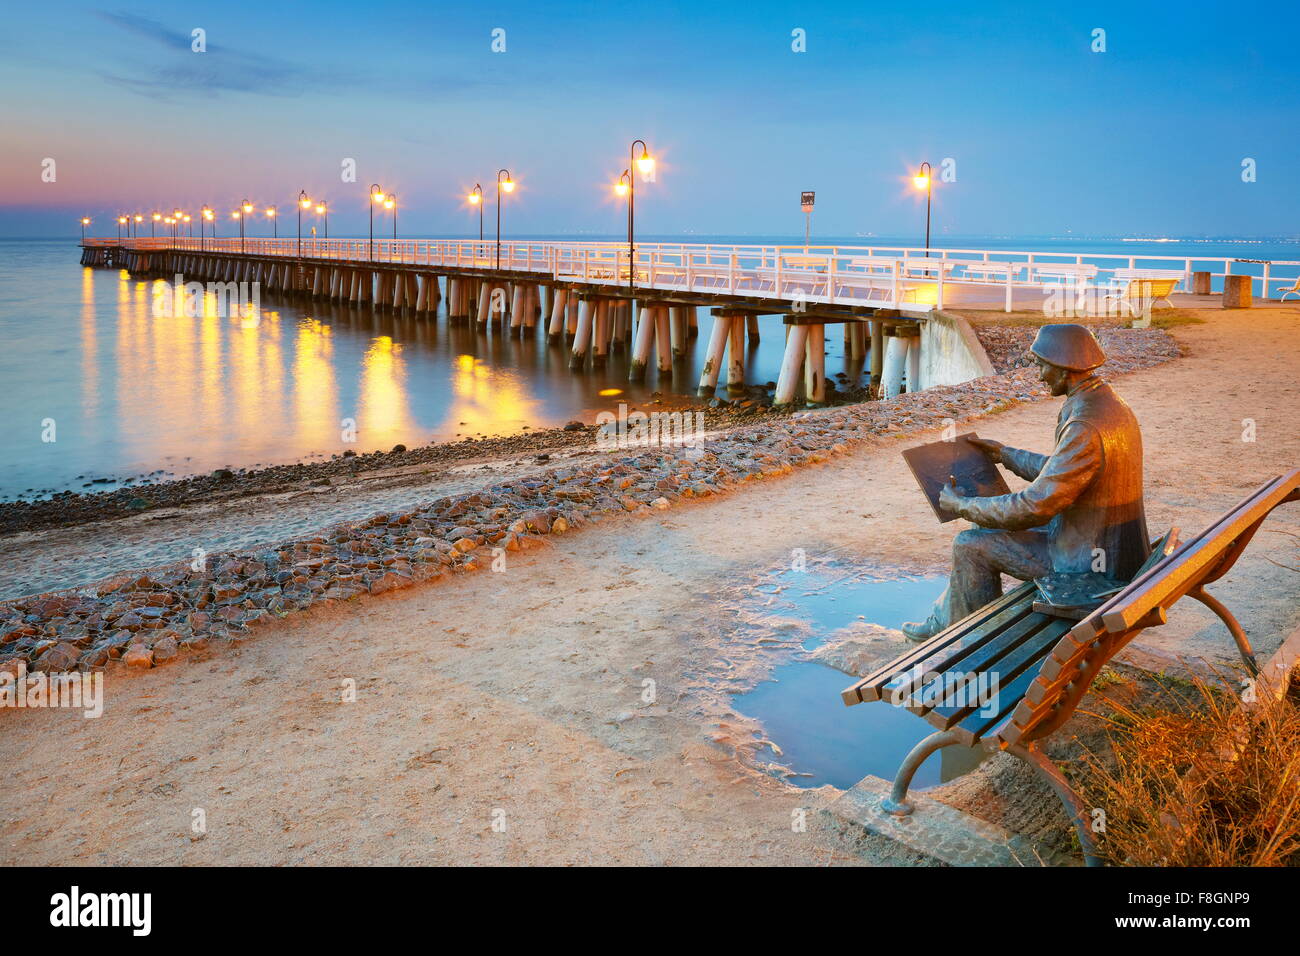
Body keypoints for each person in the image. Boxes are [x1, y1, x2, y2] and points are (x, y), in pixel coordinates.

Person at [901, 323, 1149, 642]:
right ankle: (947, 620)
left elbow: (1035, 506)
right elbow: (1063, 472)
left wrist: (962, 505)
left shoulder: (1085, 424)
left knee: (970, 545)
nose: (1041, 374)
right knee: (986, 530)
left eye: (1043, 365)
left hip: (1088, 567)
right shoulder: (1106, 404)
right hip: (1104, 549)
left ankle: (969, 643)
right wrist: (1006, 455)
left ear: (1064, 368)